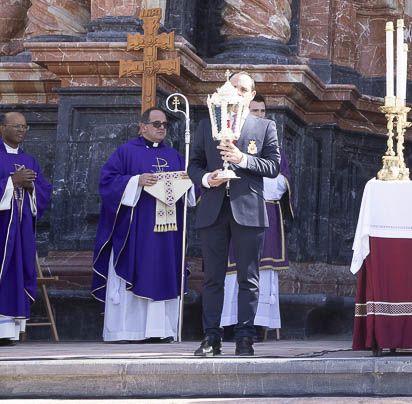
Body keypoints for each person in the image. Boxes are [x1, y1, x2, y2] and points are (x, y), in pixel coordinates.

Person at [189, 72, 281, 357]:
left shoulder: (264, 127)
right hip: (213, 208)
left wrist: (242, 159)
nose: (239, 93)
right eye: (234, 87)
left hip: (249, 209)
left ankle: (245, 338)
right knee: (212, 278)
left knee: (248, 278)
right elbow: (194, 165)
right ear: (224, 91)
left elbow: (273, 166)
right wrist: (207, 179)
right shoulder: (207, 125)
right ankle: (211, 338)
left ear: (252, 95)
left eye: (244, 89)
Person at [91, 108, 191, 342]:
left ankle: (162, 330)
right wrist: (136, 181)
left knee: (164, 271)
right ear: (142, 126)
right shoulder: (126, 152)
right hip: (136, 231)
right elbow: (107, 183)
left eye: (165, 124)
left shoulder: (175, 156)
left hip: (167, 234)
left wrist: (190, 183)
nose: (161, 128)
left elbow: (189, 190)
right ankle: (126, 331)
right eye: (156, 124)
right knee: (137, 268)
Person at [221, 95, 292, 335]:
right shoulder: (228, 140)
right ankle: (232, 322)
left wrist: (258, 183)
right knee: (235, 269)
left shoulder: (271, 142)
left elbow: (281, 180)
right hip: (237, 209)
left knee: (262, 272)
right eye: (254, 109)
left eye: (262, 110)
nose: (259, 114)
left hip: (265, 213)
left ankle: (260, 323)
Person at [0, 112, 50, 346]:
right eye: (16, 126)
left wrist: (31, 188)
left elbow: (44, 191)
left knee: (18, 273)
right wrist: (11, 182)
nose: (21, 130)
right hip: (2, 232)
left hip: (21, 233)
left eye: (25, 127)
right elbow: (11, 184)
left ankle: (8, 331)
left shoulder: (30, 160)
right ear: (2, 128)